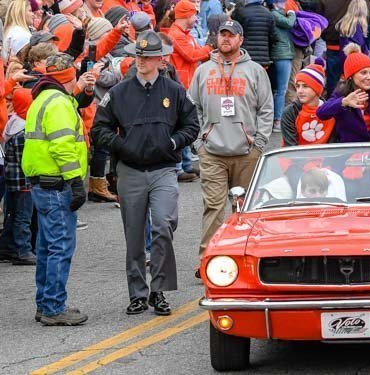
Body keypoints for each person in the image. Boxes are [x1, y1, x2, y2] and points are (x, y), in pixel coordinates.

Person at [91, 30, 200, 315]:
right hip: (131, 170)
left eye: (147, 57)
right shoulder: (118, 93)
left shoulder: (174, 91)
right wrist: (120, 145)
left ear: (159, 60)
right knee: (134, 233)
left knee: (163, 225)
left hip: (164, 169)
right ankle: (137, 293)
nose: (140, 61)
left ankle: (159, 290)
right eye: (138, 56)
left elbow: (191, 125)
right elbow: (99, 128)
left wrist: (174, 142)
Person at [187, 20, 272, 259]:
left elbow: (266, 108)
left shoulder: (255, 70)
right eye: (222, 35)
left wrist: (260, 143)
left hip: (247, 152)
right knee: (213, 207)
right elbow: (192, 107)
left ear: (240, 40)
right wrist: (199, 142)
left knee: (243, 209)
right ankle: (209, 258)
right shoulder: (203, 70)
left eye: (231, 35)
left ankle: (241, 256)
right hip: (212, 151)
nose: (226, 39)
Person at [22, 53, 89, 326]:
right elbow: (62, 146)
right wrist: (75, 181)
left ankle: (45, 303)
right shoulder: (59, 103)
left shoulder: (42, 98)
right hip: (57, 185)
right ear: (68, 78)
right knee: (60, 247)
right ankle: (53, 307)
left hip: (42, 184)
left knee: (47, 247)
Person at [316, 43, 370, 142]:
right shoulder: (341, 94)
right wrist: (344, 102)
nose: (369, 77)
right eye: (363, 73)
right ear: (351, 76)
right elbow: (321, 113)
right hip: (348, 152)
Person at [0, 88, 35, 266]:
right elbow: (27, 161)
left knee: (12, 214)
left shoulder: (13, 123)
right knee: (23, 216)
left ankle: (6, 246)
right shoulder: (24, 131)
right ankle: (23, 250)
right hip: (24, 182)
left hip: (13, 180)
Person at [281, 62, 336, 146]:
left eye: (305, 86)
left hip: (324, 156)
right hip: (294, 156)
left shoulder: (331, 112)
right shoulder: (290, 112)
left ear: (317, 88)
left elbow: (333, 145)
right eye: (298, 86)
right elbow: (290, 146)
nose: (300, 91)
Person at [168, 0, 212, 89]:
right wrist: (211, 46)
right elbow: (192, 56)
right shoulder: (177, 35)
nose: (196, 19)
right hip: (182, 85)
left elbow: (199, 53)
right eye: (194, 15)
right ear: (187, 16)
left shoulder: (186, 35)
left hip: (187, 83)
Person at [270, 0, 296, 133]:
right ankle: (277, 120)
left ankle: (275, 118)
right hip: (282, 54)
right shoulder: (275, 14)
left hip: (281, 54)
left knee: (278, 89)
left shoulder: (276, 14)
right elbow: (289, 23)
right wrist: (292, 13)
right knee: (281, 89)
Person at [319, 0, 349, 96]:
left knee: (332, 79)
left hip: (331, 43)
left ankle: (332, 102)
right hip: (348, 44)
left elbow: (319, 20)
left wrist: (325, 35)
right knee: (350, 78)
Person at [232, 0, 274, 68]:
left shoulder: (242, 12)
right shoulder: (268, 13)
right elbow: (273, 36)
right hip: (263, 58)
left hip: (245, 57)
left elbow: (235, 32)